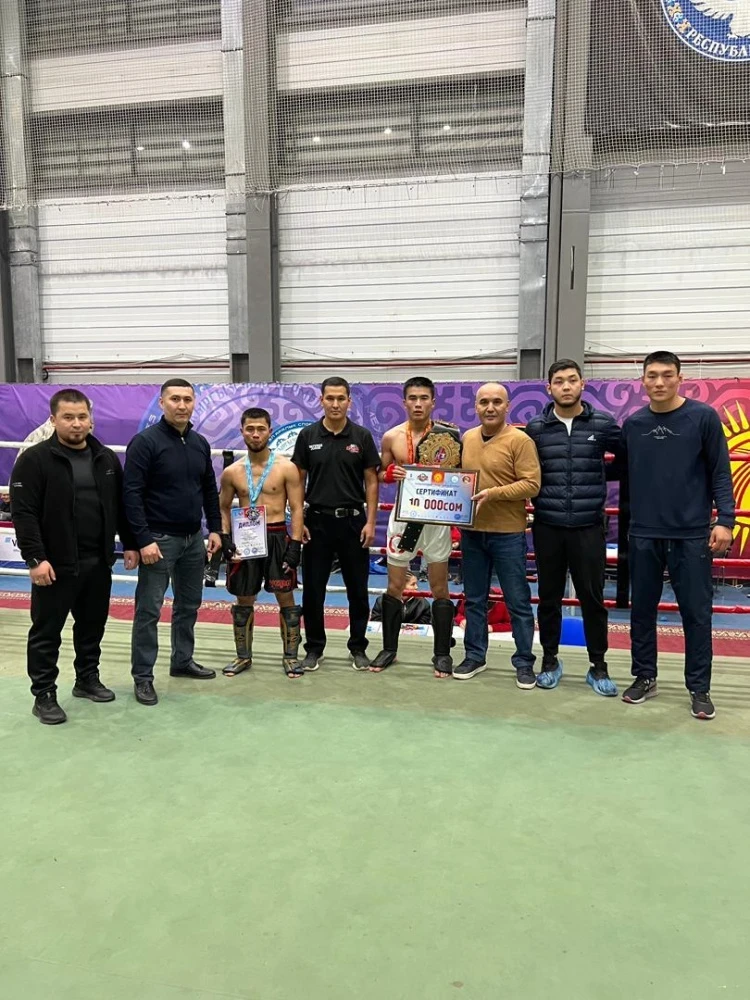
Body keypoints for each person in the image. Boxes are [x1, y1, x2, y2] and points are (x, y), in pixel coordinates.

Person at [10, 389, 139, 725]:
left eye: (82, 417)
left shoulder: (106, 459)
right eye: (68, 417)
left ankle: (87, 679)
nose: (77, 424)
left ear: (91, 420)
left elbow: (120, 506)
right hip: (54, 564)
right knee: (46, 631)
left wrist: (129, 543)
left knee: (92, 626)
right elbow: (24, 514)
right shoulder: (34, 460)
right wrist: (35, 558)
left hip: (98, 561)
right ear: (54, 420)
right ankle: (44, 694)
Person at [620, 351, 735, 720]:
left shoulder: (703, 417)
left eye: (667, 374)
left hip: (691, 534)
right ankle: (645, 676)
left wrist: (726, 520)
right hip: (644, 532)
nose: (659, 382)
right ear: (642, 380)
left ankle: (699, 688)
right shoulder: (634, 424)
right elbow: (620, 472)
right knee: (641, 611)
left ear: (680, 378)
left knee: (696, 614)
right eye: (652, 375)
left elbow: (720, 471)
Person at [525, 359, 621, 696]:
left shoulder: (603, 424)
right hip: (548, 525)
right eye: (559, 381)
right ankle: (550, 661)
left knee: (592, 599)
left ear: (582, 384)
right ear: (549, 388)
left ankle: (599, 666)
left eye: (572, 380)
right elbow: (525, 469)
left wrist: (597, 476)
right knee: (548, 598)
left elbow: (627, 458)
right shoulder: (536, 428)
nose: (566, 386)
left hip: (588, 526)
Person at [123, 379, 222, 706]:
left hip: (193, 540)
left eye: (187, 399)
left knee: (189, 605)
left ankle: (182, 660)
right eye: (175, 399)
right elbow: (131, 494)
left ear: (194, 403)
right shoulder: (145, 442)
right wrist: (143, 539)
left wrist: (215, 530)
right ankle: (143, 676)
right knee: (149, 610)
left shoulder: (199, 443)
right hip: (158, 540)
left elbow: (209, 489)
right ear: (162, 403)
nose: (182, 405)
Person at [370, 376, 461, 677]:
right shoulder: (392, 437)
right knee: (395, 585)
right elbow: (380, 473)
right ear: (404, 402)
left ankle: (442, 654)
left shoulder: (449, 435)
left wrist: (455, 521)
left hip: (436, 517)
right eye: (413, 398)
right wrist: (390, 473)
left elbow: (460, 476)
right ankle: (389, 649)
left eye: (424, 398)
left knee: (439, 586)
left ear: (433, 401)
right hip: (404, 517)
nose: (418, 404)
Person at [454, 382, 541, 687]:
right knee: (474, 600)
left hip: (508, 534)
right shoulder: (467, 438)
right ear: (475, 406)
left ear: (507, 406)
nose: (490, 408)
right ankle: (475, 656)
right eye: (484, 402)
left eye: (496, 402)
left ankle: (524, 662)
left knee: (518, 601)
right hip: (472, 533)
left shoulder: (521, 440)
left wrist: (494, 493)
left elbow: (532, 484)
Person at [291, 377, 380, 671]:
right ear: (321, 400)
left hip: (353, 523)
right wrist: (299, 522)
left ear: (349, 401)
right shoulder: (307, 435)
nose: (335, 404)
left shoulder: (361, 436)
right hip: (316, 523)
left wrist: (371, 521)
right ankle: (314, 648)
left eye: (341, 398)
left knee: (358, 590)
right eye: (330, 398)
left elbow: (371, 481)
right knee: (313, 590)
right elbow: (298, 481)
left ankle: (358, 647)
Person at [218, 408, 305, 678]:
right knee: (244, 597)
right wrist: (226, 538)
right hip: (245, 537)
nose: (255, 434)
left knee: (285, 596)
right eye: (250, 429)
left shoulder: (286, 467)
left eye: (261, 429)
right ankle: (243, 657)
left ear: (270, 431)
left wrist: (295, 545)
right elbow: (223, 508)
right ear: (242, 431)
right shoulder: (232, 472)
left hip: (277, 535)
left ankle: (291, 657)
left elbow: (297, 508)